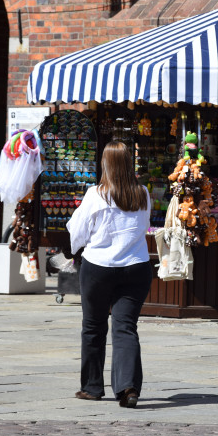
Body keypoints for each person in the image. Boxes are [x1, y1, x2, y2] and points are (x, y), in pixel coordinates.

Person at [67, 141, 152, 408]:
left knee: (93, 327)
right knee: (125, 327)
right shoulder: (143, 194)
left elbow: (78, 232)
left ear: (105, 164)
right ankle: (128, 387)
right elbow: (144, 226)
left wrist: (73, 251)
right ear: (129, 164)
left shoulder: (96, 194)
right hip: (136, 265)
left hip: (99, 266)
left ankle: (92, 387)